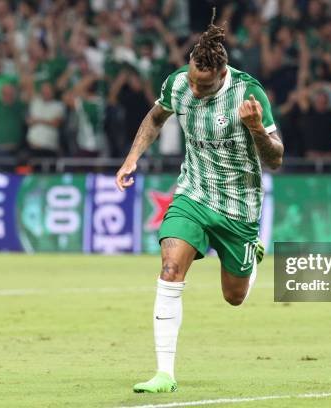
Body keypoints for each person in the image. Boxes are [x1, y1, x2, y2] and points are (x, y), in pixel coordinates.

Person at [115, 11, 283, 393]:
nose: (192, 89)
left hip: (239, 207)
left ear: (222, 76)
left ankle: (250, 253)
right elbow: (156, 117)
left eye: (202, 85)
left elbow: (276, 159)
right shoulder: (178, 83)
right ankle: (164, 374)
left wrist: (256, 128)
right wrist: (132, 157)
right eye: (190, 78)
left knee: (234, 297)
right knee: (170, 270)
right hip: (193, 193)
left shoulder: (248, 92)